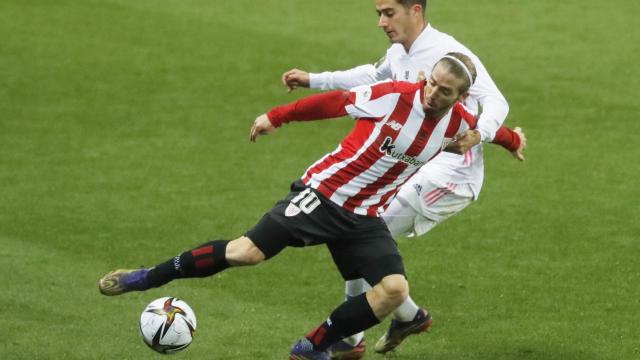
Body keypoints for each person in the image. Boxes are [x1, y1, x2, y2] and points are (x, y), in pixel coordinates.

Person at [98, 53, 518, 360]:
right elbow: (333, 104)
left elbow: (488, 129)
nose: (432, 95)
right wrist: (276, 117)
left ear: (461, 96)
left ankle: (312, 347)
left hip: (365, 217)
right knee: (246, 253)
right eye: (431, 84)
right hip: (323, 195)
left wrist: (508, 140)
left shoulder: (461, 122)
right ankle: (145, 278)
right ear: (426, 77)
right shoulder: (394, 96)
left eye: (445, 92)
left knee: (394, 291)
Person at [282, 1, 524, 357]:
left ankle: (354, 338)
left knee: (360, 230)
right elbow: (372, 76)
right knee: (358, 226)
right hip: (417, 166)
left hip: (450, 176)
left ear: (414, 10)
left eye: (388, 12)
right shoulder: (400, 51)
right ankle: (400, 318)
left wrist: (484, 134)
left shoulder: (448, 53)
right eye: (378, 12)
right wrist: (315, 79)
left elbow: (495, 102)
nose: (381, 21)